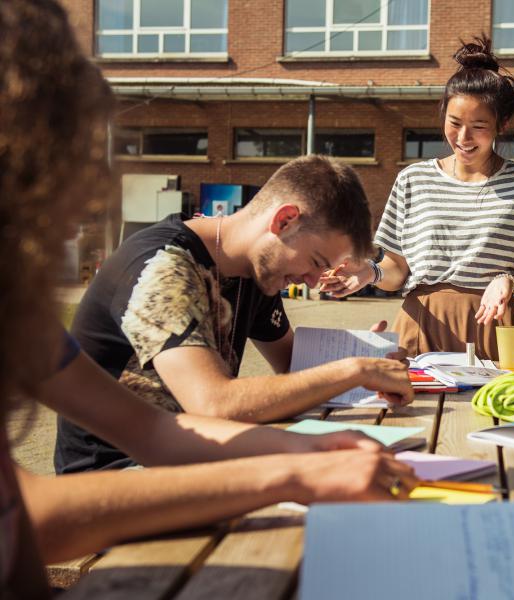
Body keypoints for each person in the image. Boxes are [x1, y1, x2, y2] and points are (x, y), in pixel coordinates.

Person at [0, 3, 415, 595]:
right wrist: (290, 468)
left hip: (158, 467)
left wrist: (326, 448)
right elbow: (28, 517)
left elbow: (161, 431)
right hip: (119, 483)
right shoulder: (163, 264)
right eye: (71, 165)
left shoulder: (23, 309)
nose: (93, 193)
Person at [55, 152, 415, 474]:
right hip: (119, 472)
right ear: (284, 220)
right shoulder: (164, 266)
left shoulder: (254, 274)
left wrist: (368, 357)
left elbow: (296, 368)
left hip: (191, 456)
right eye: (317, 262)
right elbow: (213, 404)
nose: (313, 280)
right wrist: (352, 370)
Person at [320, 36, 514, 361]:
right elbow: (397, 269)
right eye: (455, 123)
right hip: (420, 325)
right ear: (443, 113)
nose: (463, 138)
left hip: (494, 328)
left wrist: (510, 283)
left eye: (478, 126)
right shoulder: (412, 180)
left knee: (491, 411)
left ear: (502, 125)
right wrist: (369, 273)